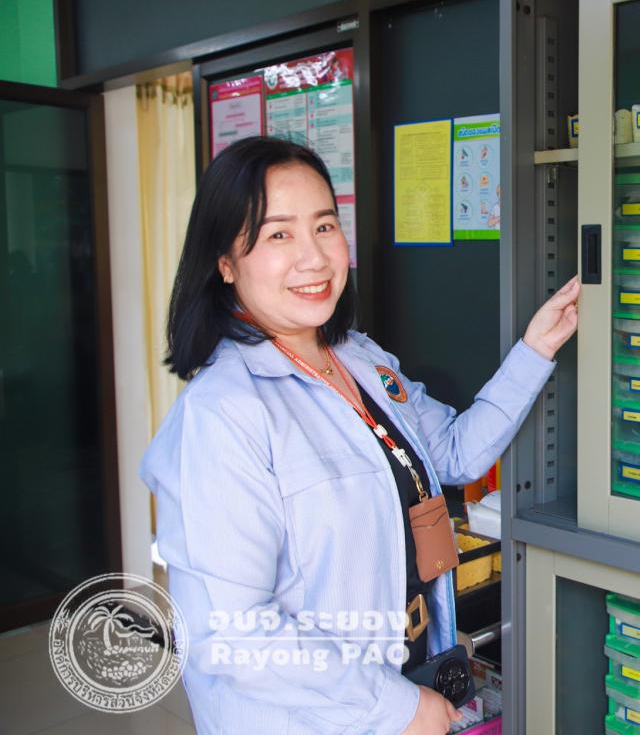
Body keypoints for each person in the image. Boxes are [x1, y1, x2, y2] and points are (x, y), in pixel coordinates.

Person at [140, 136, 579, 734]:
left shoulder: (358, 359)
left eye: (324, 226)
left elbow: (454, 453)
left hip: (406, 673)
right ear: (225, 262)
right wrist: (395, 707)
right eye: (278, 235)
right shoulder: (222, 413)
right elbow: (232, 632)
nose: (314, 258)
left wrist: (536, 348)